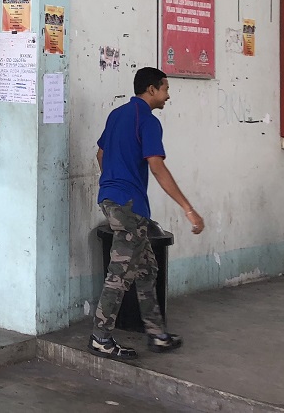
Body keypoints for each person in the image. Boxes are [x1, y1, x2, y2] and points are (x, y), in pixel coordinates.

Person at [90, 67, 205, 361]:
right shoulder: (148, 121)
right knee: (119, 273)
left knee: (147, 269)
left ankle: (157, 334)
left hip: (111, 199)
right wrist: (188, 209)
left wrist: (112, 183)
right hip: (129, 206)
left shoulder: (117, 114)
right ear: (151, 90)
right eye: (165, 89)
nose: (168, 96)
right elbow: (157, 166)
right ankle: (100, 338)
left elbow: (101, 153)